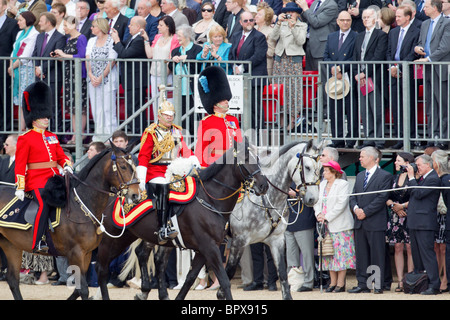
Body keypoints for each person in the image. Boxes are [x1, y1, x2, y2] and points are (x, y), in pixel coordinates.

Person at [15, 81, 73, 254]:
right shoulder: (25, 138)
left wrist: (66, 165)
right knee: (43, 204)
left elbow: (61, 156)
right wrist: (20, 186)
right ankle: (37, 241)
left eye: (47, 116)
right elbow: (20, 164)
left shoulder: (52, 136)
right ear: (34, 118)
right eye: (43, 116)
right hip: (37, 180)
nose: (47, 119)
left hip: (54, 178)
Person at [136, 86, 196, 244]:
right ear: (159, 115)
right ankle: (163, 227)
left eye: (172, 115)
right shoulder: (151, 132)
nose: (169, 118)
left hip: (174, 170)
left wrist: (193, 160)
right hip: (155, 172)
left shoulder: (177, 131)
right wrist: (141, 178)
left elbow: (184, 150)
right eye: (166, 115)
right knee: (163, 187)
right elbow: (143, 156)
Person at [348, 146, 393, 294]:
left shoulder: (385, 176)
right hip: (360, 222)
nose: (360, 159)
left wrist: (365, 212)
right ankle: (363, 283)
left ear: (374, 158)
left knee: (377, 254)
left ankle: (378, 284)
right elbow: (353, 195)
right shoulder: (360, 175)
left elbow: (381, 199)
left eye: (362, 156)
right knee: (362, 254)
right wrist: (356, 210)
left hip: (375, 222)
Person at [314, 161, 355, 292]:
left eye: (326, 170)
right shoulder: (321, 185)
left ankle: (341, 283)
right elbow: (316, 202)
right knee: (328, 254)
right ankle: (332, 282)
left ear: (334, 172)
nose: (324, 173)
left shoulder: (343, 184)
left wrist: (327, 216)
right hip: (325, 226)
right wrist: (319, 214)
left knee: (341, 255)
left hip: (340, 225)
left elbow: (341, 204)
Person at [414, 0, 450, 149]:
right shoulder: (424, 24)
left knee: (442, 105)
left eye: (426, 6)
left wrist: (428, 58)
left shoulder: (447, 23)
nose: (424, 9)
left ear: (435, 8)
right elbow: (421, 42)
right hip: (428, 69)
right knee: (430, 105)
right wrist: (418, 48)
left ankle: (444, 137)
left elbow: (445, 47)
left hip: (439, 68)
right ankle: (432, 136)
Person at [386, 5, 421, 150]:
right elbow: (389, 52)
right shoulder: (393, 32)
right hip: (394, 75)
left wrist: (400, 66)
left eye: (400, 16)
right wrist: (392, 67)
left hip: (409, 74)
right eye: (396, 16)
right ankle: (399, 137)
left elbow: (413, 54)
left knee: (409, 107)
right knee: (396, 107)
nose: (397, 18)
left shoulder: (416, 32)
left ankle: (410, 137)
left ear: (408, 17)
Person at [406, 154, 441, 294]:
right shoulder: (421, 178)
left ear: (428, 165)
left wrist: (411, 177)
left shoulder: (433, 179)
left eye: (419, 165)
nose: (417, 168)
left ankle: (434, 285)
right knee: (416, 255)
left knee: (427, 254)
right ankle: (420, 282)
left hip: (425, 223)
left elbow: (419, 193)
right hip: (415, 222)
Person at [352, 7, 387, 149]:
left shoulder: (381, 35)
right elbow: (356, 56)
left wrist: (365, 73)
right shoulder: (359, 36)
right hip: (361, 79)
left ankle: (378, 140)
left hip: (374, 78)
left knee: (376, 110)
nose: (365, 20)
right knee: (365, 110)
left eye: (368, 17)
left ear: (375, 19)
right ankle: (368, 139)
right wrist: (357, 73)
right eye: (364, 17)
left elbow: (378, 56)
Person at [323, 10, 358, 148]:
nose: (345, 22)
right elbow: (326, 55)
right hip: (334, 80)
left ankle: (351, 140)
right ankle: (337, 139)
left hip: (348, 77)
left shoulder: (356, 36)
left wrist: (341, 69)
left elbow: (355, 57)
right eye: (342, 20)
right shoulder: (331, 36)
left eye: (348, 20)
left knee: (351, 110)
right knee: (334, 110)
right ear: (337, 21)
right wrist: (333, 67)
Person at [269, 2, 307, 131]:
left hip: (294, 61)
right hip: (280, 59)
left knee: (294, 90)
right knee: (279, 90)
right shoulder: (281, 24)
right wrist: (278, 23)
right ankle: (280, 121)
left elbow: (301, 41)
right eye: (288, 12)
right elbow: (273, 37)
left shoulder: (302, 25)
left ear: (297, 13)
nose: (290, 14)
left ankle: (292, 120)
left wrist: (293, 28)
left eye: (292, 12)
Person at [195, 66, 242, 167]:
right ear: (215, 104)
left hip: (233, 164)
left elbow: (239, 143)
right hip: (216, 165)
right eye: (222, 99)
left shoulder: (233, 119)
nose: (226, 101)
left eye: (226, 99)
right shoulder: (207, 122)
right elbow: (201, 149)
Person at [229, 11, 268, 130]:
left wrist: (242, 67)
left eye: (251, 20)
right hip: (240, 78)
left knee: (255, 107)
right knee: (243, 107)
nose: (249, 23)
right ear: (240, 22)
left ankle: (258, 134)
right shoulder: (236, 35)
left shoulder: (259, 36)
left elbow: (258, 56)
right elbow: (232, 54)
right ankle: (246, 134)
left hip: (254, 78)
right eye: (246, 21)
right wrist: (234, 66)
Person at [53, 16, 88, 145]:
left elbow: (81, 56)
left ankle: (80, 133)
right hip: (69, 76)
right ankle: (75, 133)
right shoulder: (69, 39)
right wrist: (59, 56)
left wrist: (63, 54)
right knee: (72, 107)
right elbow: (69, 57)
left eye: (66, 25)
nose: (64, 28)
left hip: (79, 76)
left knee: (80, 106)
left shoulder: (81, 38)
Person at [112, 15, 148, 136]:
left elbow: (125, 54)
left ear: (138, 27)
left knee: (136, 109)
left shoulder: (139, 40)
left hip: (136, 81)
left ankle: (138, 135)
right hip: (130, 80)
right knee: (131, 108)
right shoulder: (132, 38)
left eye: (131, 24)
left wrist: (117, 40)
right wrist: (116, 39)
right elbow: (122, 47)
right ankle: (135, 133)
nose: (128, 26)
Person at [32, 12, 67, 133]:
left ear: (48, 22)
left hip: (53, 77)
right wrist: (37, 68)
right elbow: (35, 54)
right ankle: (42, 131)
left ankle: (56, 132)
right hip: (39, 77)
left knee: (53, 105)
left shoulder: (60, 37)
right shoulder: (40, 36)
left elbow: (55, 58)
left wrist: (42, 69)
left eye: (41, 21)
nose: (39, 23)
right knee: (40, 105)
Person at [385, 152, 415, 292]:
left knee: (409, 247)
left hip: (409, 214)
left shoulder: (414, 177)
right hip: (396, 215)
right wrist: (394, 207)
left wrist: (402, 206)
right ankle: (400, 281)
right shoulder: (394, 178)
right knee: (397, 247)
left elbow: (416, 196)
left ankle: (410, 280)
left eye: (398, 160)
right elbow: (387, 196)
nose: (395, 163)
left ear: (407, 163)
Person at [86, 17, 119, 142]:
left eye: (94, 26)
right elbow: (87, 59)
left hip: (108, 79)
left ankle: (112, 136)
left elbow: (112, 61)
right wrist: (91, 74)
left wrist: (101, 77)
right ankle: (98, 136)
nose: (91, 28)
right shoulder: (91, 41)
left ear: (100, 27)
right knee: (96, 108)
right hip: (93, 79)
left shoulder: (111, 41)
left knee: (108, 108)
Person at [8, 11, 39, 132]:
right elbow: (14, 51)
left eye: (20, 20)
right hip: (17, 70)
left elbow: (26, 56)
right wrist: (11, 65)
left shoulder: (34, 34)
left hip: (27, 70)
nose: (18, 22)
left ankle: (27, 127)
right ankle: (21, 128)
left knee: (26, 101)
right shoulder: (20, 33)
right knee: (20, 102)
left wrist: (12, 67)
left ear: (27, 20)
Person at [144, 15, 179, 119]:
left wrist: (166, 72)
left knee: (168, 101)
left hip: (167, 75)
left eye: (161, 25)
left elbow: (171, 56)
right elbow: (150, 54)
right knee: (156, 101)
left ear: (167, 26)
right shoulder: (157, 37)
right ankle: (157, 125)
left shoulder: (175, 38)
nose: (158, 27)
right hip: (154, 74)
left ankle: (169, 125)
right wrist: (146, 40)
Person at [169, 24, 202, 136]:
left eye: (180, 36)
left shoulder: (197, 49)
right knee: (181, 115)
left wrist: (186, 58)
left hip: (192, 88)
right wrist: (172, 60)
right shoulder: (175, 51)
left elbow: (198, 64)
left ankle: (194, 140)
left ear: (188, 36)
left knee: (193, 116)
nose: (178, 39)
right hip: (179, 88)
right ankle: (184, 141)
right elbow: (170, 67)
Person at [285, 183, 316, 292]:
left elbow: (312, 198)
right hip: (288, 221)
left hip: (304, 221)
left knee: (307, 254)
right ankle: (292, 281)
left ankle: (308, 282)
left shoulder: (308, 180)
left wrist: (297, 194)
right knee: (290, 255)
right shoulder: (287, 179)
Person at [296, 0, 338, 71]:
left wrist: (306, 8)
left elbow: (316, 22)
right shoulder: (315, 3)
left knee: (322, 76)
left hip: (321, 47)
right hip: (309, 43)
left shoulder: (331, 5)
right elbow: (307, 19)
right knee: (310, 76)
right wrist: (302, 10)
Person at [0, 0, 20, 139]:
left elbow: (15, 48)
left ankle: (4, 132)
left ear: (5, 6)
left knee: (4, 100)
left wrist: (11, 66)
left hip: (4, 68)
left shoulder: (12, 24)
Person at [431, 149, 449, 292]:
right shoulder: (435, 178)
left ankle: (446, 280)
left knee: (445, 249)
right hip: (435, 216)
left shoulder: (445, 180)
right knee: (437, 247)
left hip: (444, 216)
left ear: (436, 163)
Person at [254, 2, 276, 76]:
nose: (256, 16)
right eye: (257, 14)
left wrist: (258, 53)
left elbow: (271, 51)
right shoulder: (253, 29)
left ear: (266, 17)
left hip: (265, 65)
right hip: (253, 64)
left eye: (259, 15)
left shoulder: (271, 31)